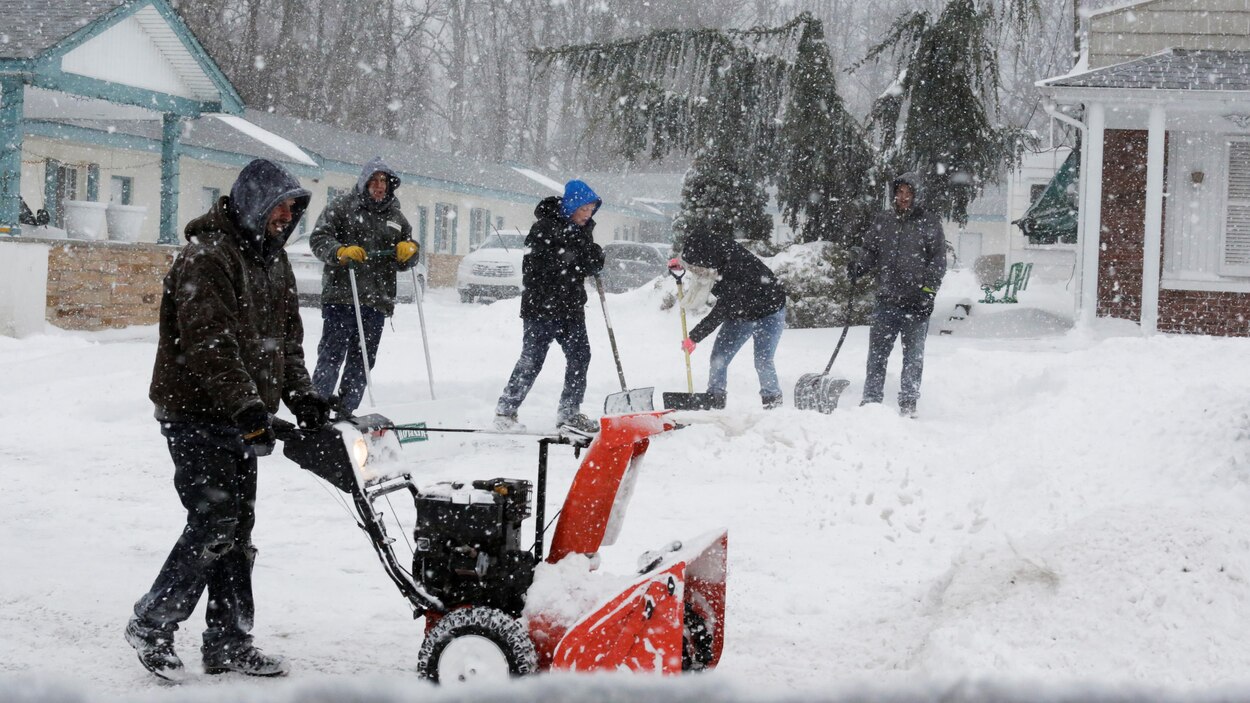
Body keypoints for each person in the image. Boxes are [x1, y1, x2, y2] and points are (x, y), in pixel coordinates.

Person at [126, 158, 330, 681]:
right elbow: (209, 346)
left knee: (238, 527)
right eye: (281, 204)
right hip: (194, 411)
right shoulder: (206, 258)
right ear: (254, 202)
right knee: (215, 520)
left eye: (293, 207)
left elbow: (286, 340)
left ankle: (229, 641)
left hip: (243, 415)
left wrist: (302, 396)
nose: (288, 214)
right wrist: (247, 407)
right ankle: (153, 622)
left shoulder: (272, 260)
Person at [494, 179, 605, 433]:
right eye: (583, 209)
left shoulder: (584, 229)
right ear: (572, 206)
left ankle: (569, 413)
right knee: (532, 359)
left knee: (580, 356)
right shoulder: (544, 227)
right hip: (541, 306)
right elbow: (534, 269)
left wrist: (594, 258)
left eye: (591, 210)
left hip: (571, 307)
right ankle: (505, 411)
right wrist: (566, 260)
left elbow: (584, 261)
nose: (587, 215)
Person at [309, 157, 417, 415]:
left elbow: (408, 253)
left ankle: (347, 410)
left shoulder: (397, 218)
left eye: (384, 182)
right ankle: (315, 410)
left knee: (363, 360)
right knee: (331, 355)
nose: (379, 186)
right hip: (342, 296)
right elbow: (319, 238)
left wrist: (410, 251)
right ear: (364, 182)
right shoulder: (342, 208)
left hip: (377, 300)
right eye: (374, 180)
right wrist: (339, 252)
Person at [849, 172, 946, 417]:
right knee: (877, 356)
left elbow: (938, 261)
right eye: (900, 193)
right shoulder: (884, 220)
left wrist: (928, 293)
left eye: (908, 193)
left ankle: (908, 404)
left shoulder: (929, 223)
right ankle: (870, 402)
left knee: (912, 358)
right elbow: (870, 250)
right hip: (886, 301)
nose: (903, 198)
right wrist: (860, 265)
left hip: (915, 303)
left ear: (917, 196)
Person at [675, 230, 788, 409]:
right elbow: (697, 253)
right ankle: (715, 399)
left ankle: (772, 402)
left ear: (706, 260)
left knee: (763, 360)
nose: (697, 272)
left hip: (770, 312)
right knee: (718, 358)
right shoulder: (717, 253)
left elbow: (721, 311)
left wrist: (694, 337)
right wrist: (682, 262)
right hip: (742, 312)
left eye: (697, 267)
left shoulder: (736, 269)